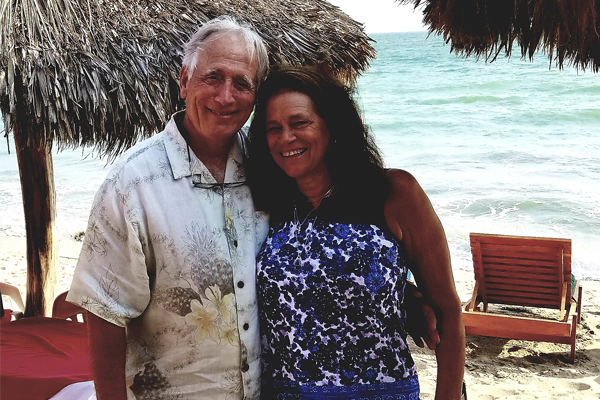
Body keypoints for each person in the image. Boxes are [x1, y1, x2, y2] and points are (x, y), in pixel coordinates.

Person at [66, 16, 270, 400]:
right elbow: (104, 310)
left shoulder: (269, 167)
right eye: (213, 77)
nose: (226, 96)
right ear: (184, 82)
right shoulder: (132, 183)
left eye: (241, 83)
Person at [247, 66, 465, 399]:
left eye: (299, 122)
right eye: (273, 128)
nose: (286, 138)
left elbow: (448, 311)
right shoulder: (265, 204)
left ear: (333, 124)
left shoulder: (393, 193)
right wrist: (405, 296)